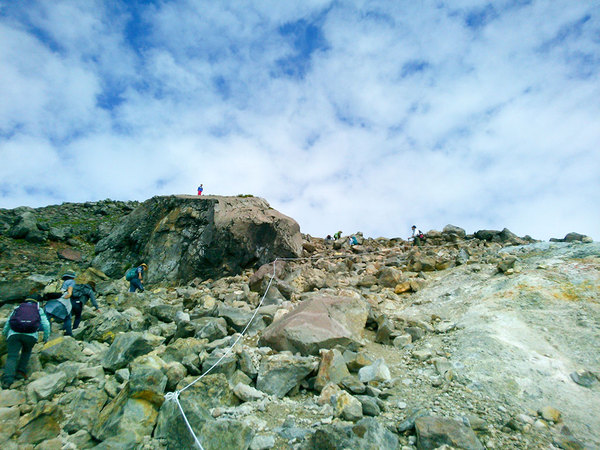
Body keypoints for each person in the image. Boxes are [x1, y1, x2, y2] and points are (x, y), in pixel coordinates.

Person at [2, 296, 50, 388]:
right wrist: (45, 337)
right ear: (36, 302)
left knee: (12, 356)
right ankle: (20, 373)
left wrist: (4, 333)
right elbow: (46, 324)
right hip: (30, 335)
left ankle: (8, 380)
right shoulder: (38, 309)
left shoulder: (18, 308)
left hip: (14, 334)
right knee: (26, 353)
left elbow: (9, 321)